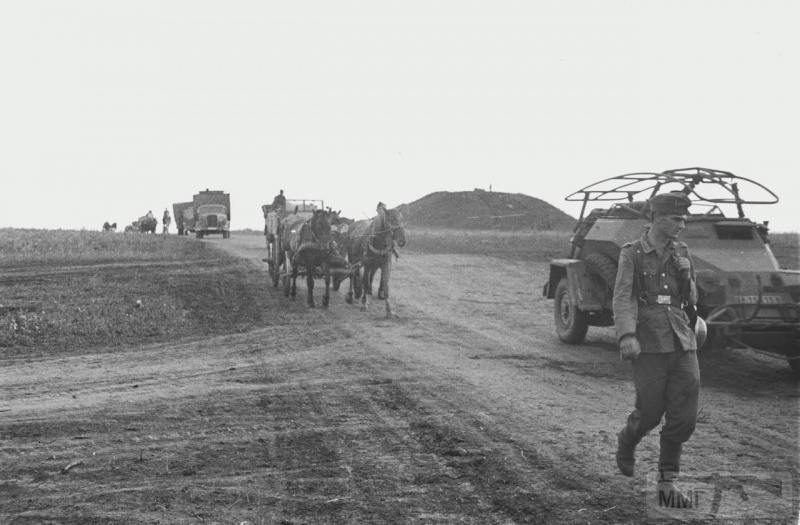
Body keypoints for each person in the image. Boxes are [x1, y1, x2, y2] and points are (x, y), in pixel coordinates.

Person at [612, 191, 700, 507]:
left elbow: (691, 296)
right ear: (657, 217)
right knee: (649, 412)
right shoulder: (632, 253)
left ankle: (667, 485)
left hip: (682, 338)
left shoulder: (682, 251)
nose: (683, 224)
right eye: (677, 218)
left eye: (684, 218)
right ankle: (628, 439)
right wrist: (627, 335)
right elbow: (623, 296)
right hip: (648, 341)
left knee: (685, 416)